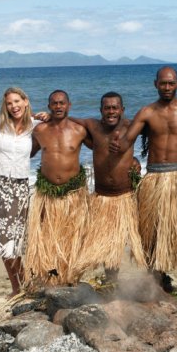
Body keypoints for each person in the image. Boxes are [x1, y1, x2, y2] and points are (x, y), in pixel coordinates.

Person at [111, 66, 177, 292]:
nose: (167, 87)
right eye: (163, 83)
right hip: (155, 178)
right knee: (153, 231)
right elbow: (127, 140)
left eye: (171, 83)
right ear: (155, 84)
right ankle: (158, 280)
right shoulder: (147, 112)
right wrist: (116, 145)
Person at [72, 92, 146, 281]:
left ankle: (156, 280)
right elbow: (66, 119)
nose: (111, 111)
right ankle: (112, 281)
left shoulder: (131, 126)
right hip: (102, 197)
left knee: (140, 239)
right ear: (101, 110)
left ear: (122, 109)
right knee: (109, 243)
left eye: (115, 108)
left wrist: (135, 158)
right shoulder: (93, 125)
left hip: (126, 196)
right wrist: (46, 117)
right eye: (107, 108)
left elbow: (161, 133)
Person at [24, 90, 89, 285]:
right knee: (48, 237)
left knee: (72, 236)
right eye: (54, 103)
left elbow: (102, 145)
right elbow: (26, 153)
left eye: (62, 103)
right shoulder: (40, 130)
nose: (58, 106)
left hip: (73, 194)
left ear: (69, 105)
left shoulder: (79, 130)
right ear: (49, 106)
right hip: (47, 194)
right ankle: (50, 278)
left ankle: (71, 278)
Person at [0, 87, 39, 296]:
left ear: (26, 101)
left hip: (18, 189)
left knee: (9, 239)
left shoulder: (37, 126)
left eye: (17, 101)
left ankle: (20, 286)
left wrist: (49, 115)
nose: (14, 106)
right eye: (9, 103)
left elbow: (62, 127)